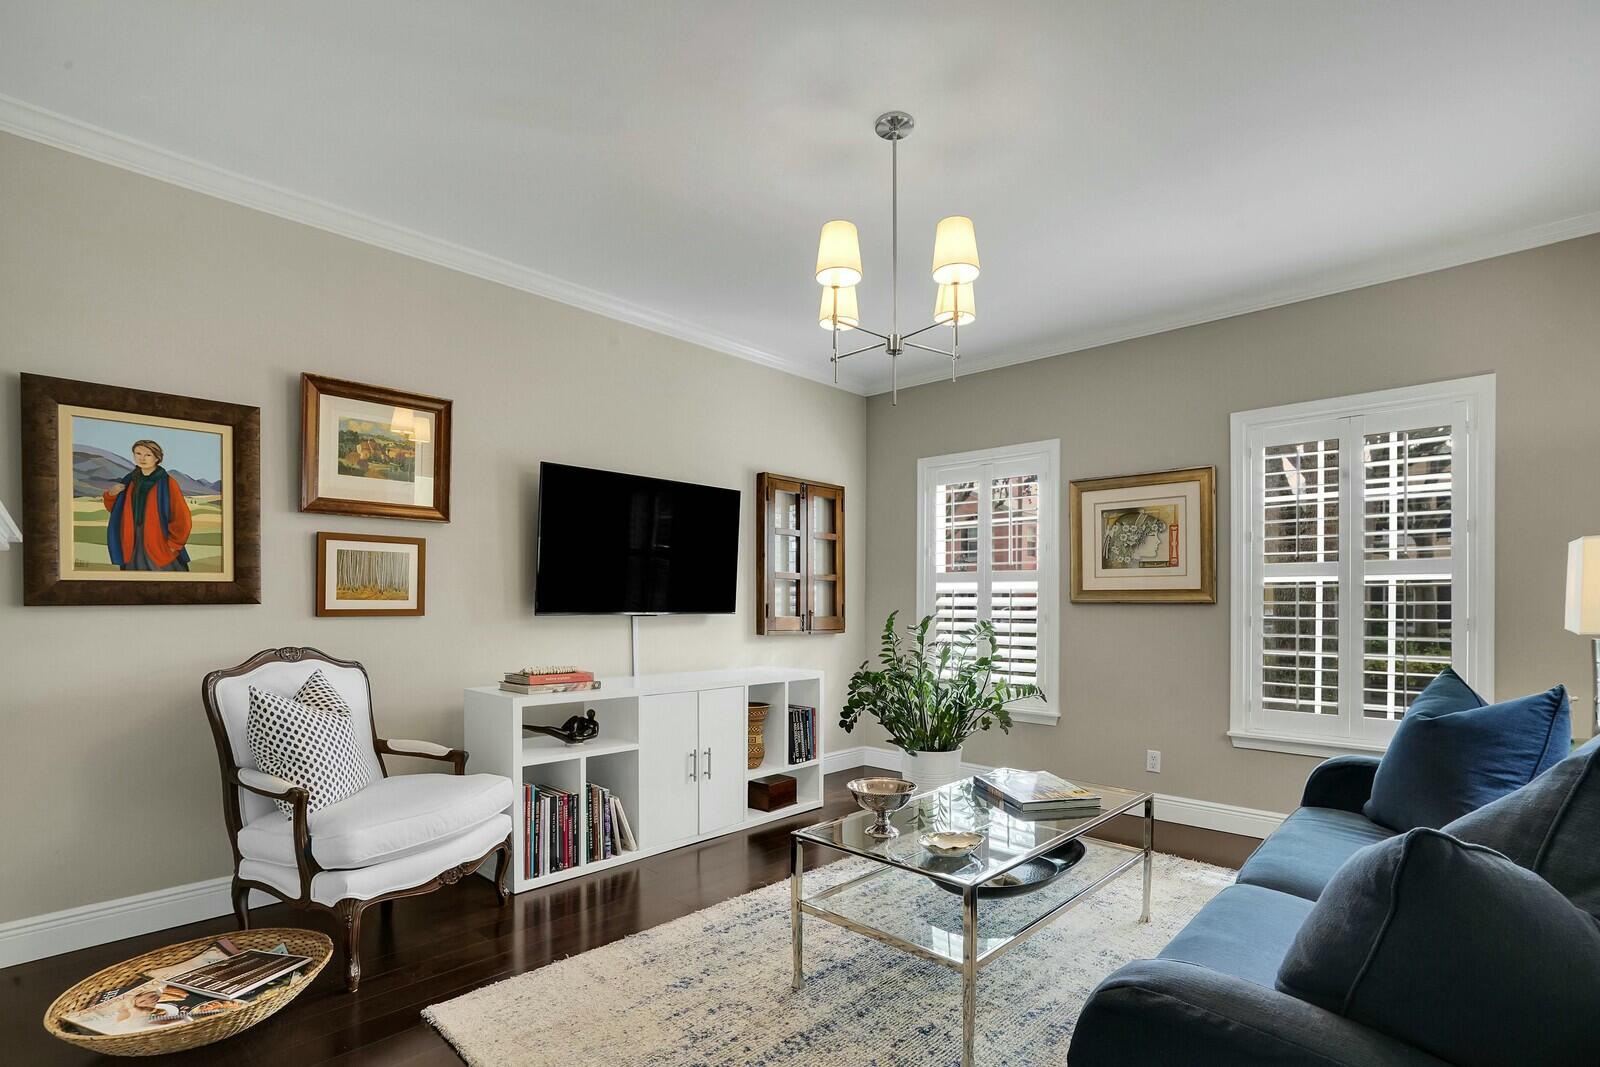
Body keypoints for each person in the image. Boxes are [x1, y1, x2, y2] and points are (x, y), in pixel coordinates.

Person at [103, 438, 192, 571]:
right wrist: (111, 495)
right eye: (138, 454)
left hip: (159, 541)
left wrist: (175, 543)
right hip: (132, 539)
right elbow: (117, 511)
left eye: (148, 455)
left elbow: (181, 516)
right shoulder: (129, 480)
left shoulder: (167, 483)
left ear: (157, 458)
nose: (142, 458)